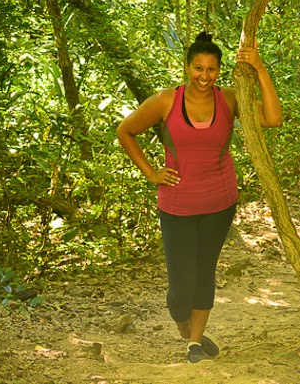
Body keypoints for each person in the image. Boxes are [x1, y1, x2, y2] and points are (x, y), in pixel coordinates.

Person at [116, 31, 282, 363]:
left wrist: (260, 68)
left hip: (220, 202)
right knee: (179, 289)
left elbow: (272, 119)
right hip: (177, 204)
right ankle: (186, 329)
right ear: (187, 67)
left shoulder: (230, 99)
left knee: (205, 270)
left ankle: (194, 343)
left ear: (219, 70)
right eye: (198, 68)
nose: (204, 76)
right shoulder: (166, 101)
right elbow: (125, 130)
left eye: (211, 69)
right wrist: (151, 172)